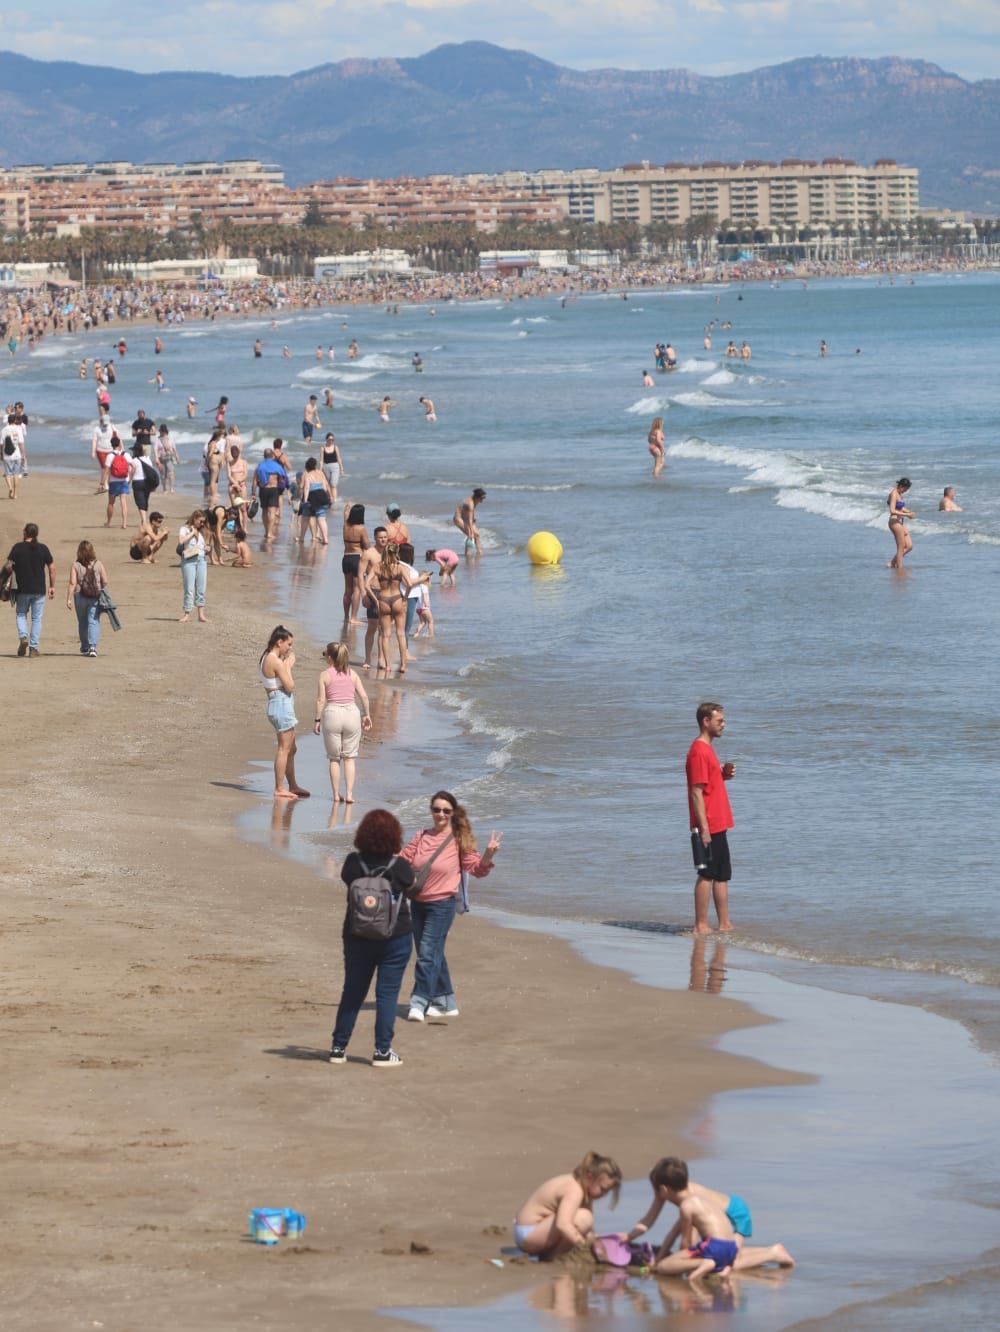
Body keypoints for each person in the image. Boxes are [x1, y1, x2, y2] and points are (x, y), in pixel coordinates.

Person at [401, 790, 501, 1021]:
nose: (441, 814)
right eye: (436, 809)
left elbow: (477, 869)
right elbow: (404, 860)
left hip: (442, 905)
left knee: (427, 953)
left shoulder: (458, 840)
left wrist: (488, 854)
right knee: (431, 952)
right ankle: (446, 1003)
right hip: (417, 903)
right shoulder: (421, 836)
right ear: (431, 811)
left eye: (446, 811)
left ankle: (418, 1002)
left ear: (453, 813)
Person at [329, 809, 415, 1068]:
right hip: (395, 935)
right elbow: (410, 883)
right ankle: (382, 1051)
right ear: (394, 836)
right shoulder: (399, 867)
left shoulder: (352, 863)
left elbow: (346, 878)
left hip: (356, 934)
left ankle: (338, 1047)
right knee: (387, 994)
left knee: (352, 991)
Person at [648, 1158, 793, 1278]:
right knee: (730, 1258)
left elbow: (686, 1242)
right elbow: (677, 1233)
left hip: (732, 1222)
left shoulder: (687, 1205)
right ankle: (771, 1252)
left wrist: (682, 1262)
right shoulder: (700, 1199)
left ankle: (773, 1253)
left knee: (664, 1267)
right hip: (728, 1242)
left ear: (664, 1190)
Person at [622, 1159, 754, 1257]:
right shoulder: (664, 1192)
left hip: (736, 1213)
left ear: (664, 1187)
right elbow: (649, 1219)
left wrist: (685, 1257)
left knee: (733, 1258)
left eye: (656, 1188)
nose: (656, 1192)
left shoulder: (689, 1197)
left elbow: (693, 1233)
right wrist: (628, 1237)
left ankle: (765, 1254)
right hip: (717, 1218)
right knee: (721, 1255)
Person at [686, 702, 736, 935]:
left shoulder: (708, 750)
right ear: (706, 722)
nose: (723, 725)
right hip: (709, 823)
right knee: (707, 874)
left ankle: (725, 924)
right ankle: (701, 925)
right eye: (719, 721)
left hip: (720, 822)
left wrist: (722, 774)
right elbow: (696, 792)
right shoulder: (698, 751)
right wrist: (704, 828)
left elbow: (709, 785)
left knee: (722, 875)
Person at [513, 1153, 623, 1258]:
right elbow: (563, 1225)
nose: (604, 1195)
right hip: (528, 1233)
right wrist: (584, 1248)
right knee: (583, 1218)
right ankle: (554, 1257)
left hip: (534, 1231)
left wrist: (608, 1239)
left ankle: (551, 1254)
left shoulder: (584, 1189)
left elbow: (589, 1232)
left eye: (608, 1191)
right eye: (603, 1189)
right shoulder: (574, 1190)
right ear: (590, 1177)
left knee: (584, 1225)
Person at [314, 642, 372, 803]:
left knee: (334, 758)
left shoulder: (324, 675)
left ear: (330, 658)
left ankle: (335, 795)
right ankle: (349, 794)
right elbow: (364, 696)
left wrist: (317, 719)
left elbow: (320, 700)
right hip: (351, 713)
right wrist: (367, 715)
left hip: (332, 713)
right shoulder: (352, 674)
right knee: (350, 758)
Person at [259, 625, 309, 800]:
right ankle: (279, 787)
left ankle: (292, 785)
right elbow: (290, 686)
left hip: (278, 704)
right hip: (280, 704)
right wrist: (288, 666)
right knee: (284, 748)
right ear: (279, 642)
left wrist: (285, 664)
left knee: (291, 748)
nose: (290, 648)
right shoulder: (275, 660)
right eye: (289, 644)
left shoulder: (266, 656)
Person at [6, 522, 55, 657]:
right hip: (39, 589)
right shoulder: (43, 548)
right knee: (36, 618)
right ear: (36, 534)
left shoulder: (17, 548)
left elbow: (8, 566)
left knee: (21, 614)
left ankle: (23, 637)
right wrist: (52, 586)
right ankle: (33, 648)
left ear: (25, 533)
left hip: (22, 589)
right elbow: (52, 568)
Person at [371, 541, 416, 675]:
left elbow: (367, 585)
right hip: (397, 598)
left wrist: (375, 600)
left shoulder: (378, 566)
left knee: (385, 635)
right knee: (400, 634)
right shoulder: (400, 567)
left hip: (384, 599)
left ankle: (388, 665)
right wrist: (405, 598)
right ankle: (403, 665)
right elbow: (409, 584)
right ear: (396, 553)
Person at [66, 540, 108, 656]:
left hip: (80, 595)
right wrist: (100, 588)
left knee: (82, 622)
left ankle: (85, 646)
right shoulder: (98, 564)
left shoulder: (75, 565)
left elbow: (72, 583)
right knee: (93, 621)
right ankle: (93, 647)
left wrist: (69, 598)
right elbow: (105, 581)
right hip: (94, 596)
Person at [177, 510, 209, 624]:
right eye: (200, 521)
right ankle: (187, 613)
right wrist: (192, 533)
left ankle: (201, 614)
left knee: (201, 588)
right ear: (194, 518)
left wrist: (207, 548)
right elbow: (181, 541)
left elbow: (203, 546)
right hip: (189, 560)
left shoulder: (202, 532)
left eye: (203, 522)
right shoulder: (184, 529)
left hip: (201, 559)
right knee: (189, 588)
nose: (202, 524)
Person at [342, 502, 369, 622]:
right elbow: (367, 545)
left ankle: (346, 616)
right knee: (357, 589)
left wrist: (347, 508)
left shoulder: (345, 526)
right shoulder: (361, 529)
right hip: (357, 558)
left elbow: (345, 516)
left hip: (346, 558)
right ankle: (353, 618)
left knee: (348, 590)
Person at [252, 447, 286, 538]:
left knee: (264, 511)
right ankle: (270, 533)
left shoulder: (259, 466)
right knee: (272, 512)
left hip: (263, 489)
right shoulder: (277, 466)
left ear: (264, 456)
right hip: (273, 489)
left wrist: (253, 493)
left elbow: (254, 480)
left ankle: (266, 531)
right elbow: (282, 479)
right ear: (272, 456)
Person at [302, 456, 334, 545]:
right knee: (322, 519)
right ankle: (325, 539)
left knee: (306, 517)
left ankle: (302, 538)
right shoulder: (320, 472)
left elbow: (307, 488)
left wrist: (305, 500)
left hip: (313, 496)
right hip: (322, 495)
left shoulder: (308, 475)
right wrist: (329, 496)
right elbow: (325, 485)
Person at [886, 477, 915, 570]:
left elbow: (900, 507)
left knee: (909, 546)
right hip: (894, 521)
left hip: (900, 521)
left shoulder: (899, 494)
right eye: (905, 489)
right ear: (901, 486)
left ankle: (892, 563)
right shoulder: (894, 494)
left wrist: (909, 512)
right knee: (901, 547)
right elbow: (892, 510)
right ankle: (900, 569)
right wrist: (907, 515)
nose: (905, 491)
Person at [104, 435, 131, 529]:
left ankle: (108, 522)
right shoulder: (126, 454)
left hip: (113, 481)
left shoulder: (110, 456)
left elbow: (106, 470)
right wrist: (130, 478)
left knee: (111, 503)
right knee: (123, 502)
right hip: (124, 480)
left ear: (111, 445)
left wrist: (103, 482)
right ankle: (124, 523)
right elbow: (133, 466)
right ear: (119, 444)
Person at [453, 488, 486, 553]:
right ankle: (467, 553)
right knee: (471, 534)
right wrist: (471, 531)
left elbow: (472, 510)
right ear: (477, 497)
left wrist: (474, 516)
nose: (483, 500)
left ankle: (480, 552)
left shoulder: (474, 500)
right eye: (482, 498)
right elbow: (470, 520)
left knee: (477, 535)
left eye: (484, 498)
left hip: (465, 517)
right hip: (458, 518)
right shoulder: (470, 503)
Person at [2, 413, 24, 499]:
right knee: (16, 474)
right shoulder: (18, 429)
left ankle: (10, 488)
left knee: (7, 474)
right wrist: (23, 454)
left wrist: (1, 454)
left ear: (8, 421)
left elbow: (1, 444)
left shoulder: (3, 430)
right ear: (15, 420)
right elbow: (21, 443)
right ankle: (14, 493)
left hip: (7, 455)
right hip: (17, 455)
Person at [91, 416, 115, 492]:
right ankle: (105, 485)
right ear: (100, 421)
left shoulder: (112, 427)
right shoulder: (96, 429)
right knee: (104, 467)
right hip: (100, 450)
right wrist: (93, 451)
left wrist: (120, 449)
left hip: (110, 450)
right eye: (103, 423)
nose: (105, 425)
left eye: (106, 424)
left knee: (110, 468)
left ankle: (109, 483)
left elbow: (118, 438)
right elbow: (94, 440)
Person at [156, 423, 179, 494]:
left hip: (169, 457)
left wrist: (177, 456)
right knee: (163, 475)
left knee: (171, 473)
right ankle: (164, 489)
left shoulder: (170, 439)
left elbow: (174, 448)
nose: (161, 432)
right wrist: (156, 459)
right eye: (161, 431)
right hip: (161, 458)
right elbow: (155, 449)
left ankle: (171, 488)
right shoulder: (158, 440)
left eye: (162, 431)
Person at [321, 432, 343, 502]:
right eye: (330, 439)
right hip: (326, 467)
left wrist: (341, 469)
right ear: (326, 439)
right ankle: (330, 499)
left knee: (333, 484)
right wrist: (320, 470)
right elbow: (321, 460)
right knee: (328, 485)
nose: (331, 441)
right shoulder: (323, 448)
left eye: (332, 440)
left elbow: (339, 458)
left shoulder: (335, 447)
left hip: (335, 467)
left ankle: (335, 500)